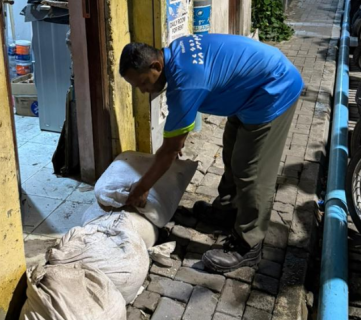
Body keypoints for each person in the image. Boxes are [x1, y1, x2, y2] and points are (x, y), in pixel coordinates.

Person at [119, 33, 303, 273]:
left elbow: (170, 151)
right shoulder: (174, 52)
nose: (144, 91)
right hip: (247, 91)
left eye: (143, 83)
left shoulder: (186, 82)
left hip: (273, 90)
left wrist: (142, 188)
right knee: (231, 152)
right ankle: (227, 211)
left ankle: (248, 244)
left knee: (251, 170)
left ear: (156, 65)